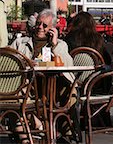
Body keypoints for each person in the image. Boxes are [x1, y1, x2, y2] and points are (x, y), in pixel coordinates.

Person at [10, 9, 74, 143]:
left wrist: (55, 44)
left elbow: (68, 65)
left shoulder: (60, 44)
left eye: (45, 26)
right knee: (19, 104)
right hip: (26, 87)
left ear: (52, 28)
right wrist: (24, 63)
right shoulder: (20, 43)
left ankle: (47, 126)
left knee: (67, 89)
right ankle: (37, 127)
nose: (40, 27)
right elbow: (8, 61)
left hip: (51, 87)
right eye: (38, 24)